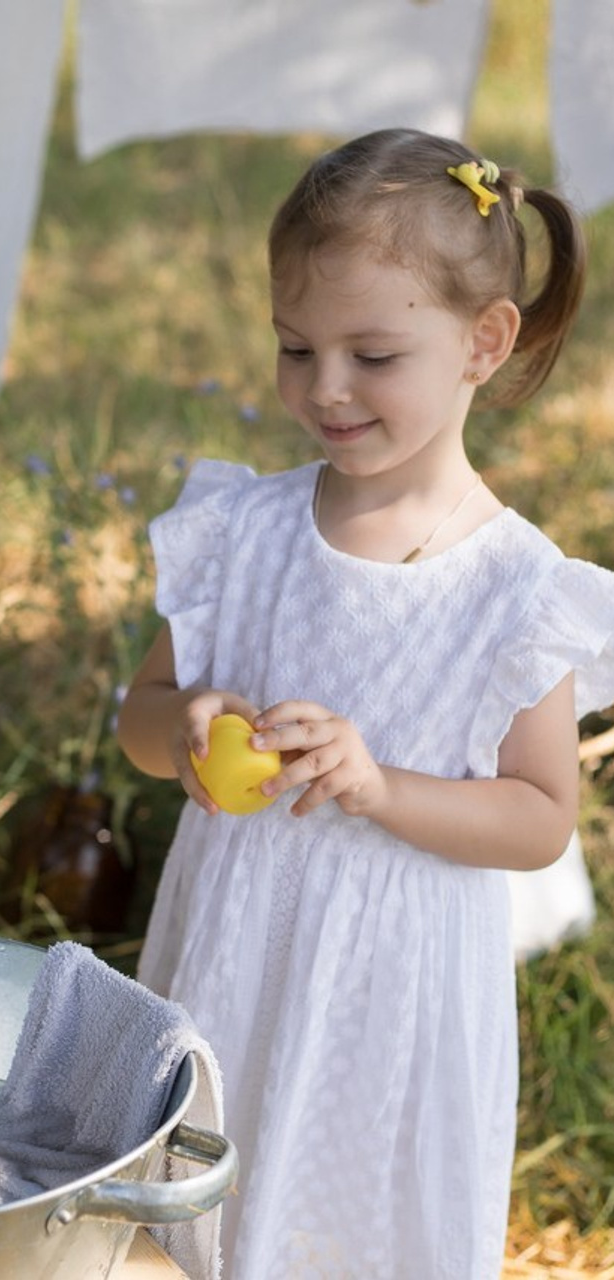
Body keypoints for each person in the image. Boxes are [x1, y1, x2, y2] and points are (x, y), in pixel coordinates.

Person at [117, 128, 614, 1279]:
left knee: (350, 1224)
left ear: (481, 342)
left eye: (372, 354)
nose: (323, 387)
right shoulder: (241, 534)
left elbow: (538, 816)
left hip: (392, 990)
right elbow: (139, 720)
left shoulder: (513, 590)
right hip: (233, 950)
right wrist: (186, 719)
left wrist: (377, 784)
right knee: (200, 1209)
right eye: (296, 347)